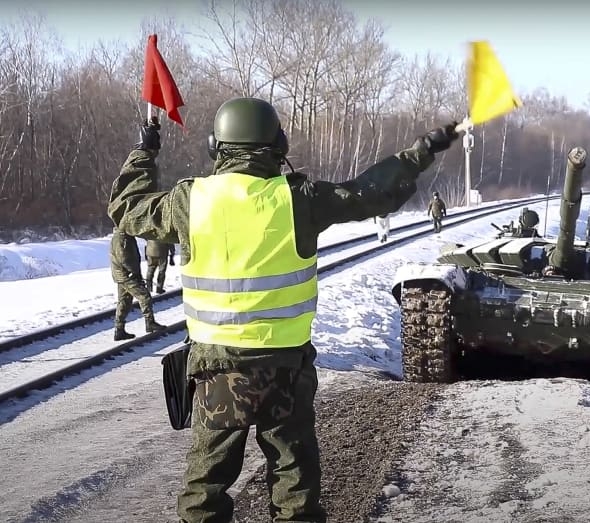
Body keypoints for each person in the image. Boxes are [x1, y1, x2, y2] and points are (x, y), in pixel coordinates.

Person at [107, 97, 459, 523]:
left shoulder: (191, 200)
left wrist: (144, 151)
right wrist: (423, 150)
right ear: (279, 144)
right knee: (295, 486)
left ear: (216, 146)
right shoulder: (299, 199)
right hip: (286, 370)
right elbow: (369, 193)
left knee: (206, 490)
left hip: (219, 370)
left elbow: (126, 207)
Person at [110, 228, 167, 341]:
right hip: (127, 275)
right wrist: (134, 272)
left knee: (124, 301)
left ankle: (119, 330)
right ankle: (150, 323)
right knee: (144, 296)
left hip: (121, 274)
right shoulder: (123, 238)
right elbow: (123, 257)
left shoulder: (122, 237)